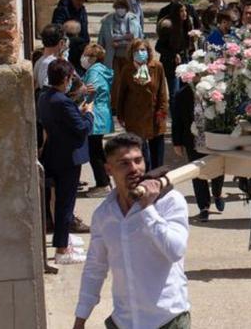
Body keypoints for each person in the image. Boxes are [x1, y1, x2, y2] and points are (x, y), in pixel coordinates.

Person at [73, 133, 190, 329]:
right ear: (108, 169)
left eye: (138, 161)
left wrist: (147, 209)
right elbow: (95, 269)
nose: (134, 169)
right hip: (124, 322)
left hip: (168, 321)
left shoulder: (170, 201)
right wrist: (80, 320)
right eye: (124, 163)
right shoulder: (104, 214)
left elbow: (175, 250)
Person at [39, 59, 94, 265]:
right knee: (65, 203)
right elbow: (81, 129)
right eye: (70, 78)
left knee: (61, 201)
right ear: (65, 78)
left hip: (54, 154)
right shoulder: (62, 101)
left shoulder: (45, 97)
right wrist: (88, 114)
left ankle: (63, 240)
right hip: (67, 158)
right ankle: (62, 249)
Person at [111, 39, 170, 169]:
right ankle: (144, 177)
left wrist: (162, 111)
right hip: (135, 115)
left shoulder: (157, 67)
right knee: (141, 153)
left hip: (154, 114)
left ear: (148, 51)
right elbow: (122, 94)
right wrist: (120, 115)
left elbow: (162, 92)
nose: (140, 53)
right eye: (136, 50)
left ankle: (157, 177)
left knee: (157, 153)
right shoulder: (128, 69)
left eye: (142, 50)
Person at [171, 85, 225, 222]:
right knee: (197, 172)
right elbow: (176, 120)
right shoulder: (181, 95)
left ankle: (217, 193)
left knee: (218, 169)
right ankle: (203, 207)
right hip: (193, 140)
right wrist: (177, 142)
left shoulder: (213, 88)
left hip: (213, 137)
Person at [81, 43, 114, 197]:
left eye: (87, 55)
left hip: (96, 115)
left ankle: (103, 184)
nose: (84, 58)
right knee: (97, 150)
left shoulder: (94, 73)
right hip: (101, 114)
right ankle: (105, 181)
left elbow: (89, 92)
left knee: (94, 152)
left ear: (94, 58)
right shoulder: (100, 71)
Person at [155, 3, 192, 96]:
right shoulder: (169, 27)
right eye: (181, 11)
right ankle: (173, 110)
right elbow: (158, 47)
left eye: (185, 11)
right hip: (171, 64)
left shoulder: (186, 26)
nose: (184, 13)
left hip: (184, 62)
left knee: (185, 91)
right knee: (174, 92)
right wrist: (173, 54)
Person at [97, 0, 141, 71]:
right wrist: (125, 37)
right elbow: (101, 42)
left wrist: (118, 43)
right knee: (114, 80)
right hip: (112, 59)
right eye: (118, 7)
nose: (120, 9)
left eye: (122, 7)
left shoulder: (133, 20)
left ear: (127, 8)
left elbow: (135, 40)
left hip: (129, 58)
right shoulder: (107, 20)